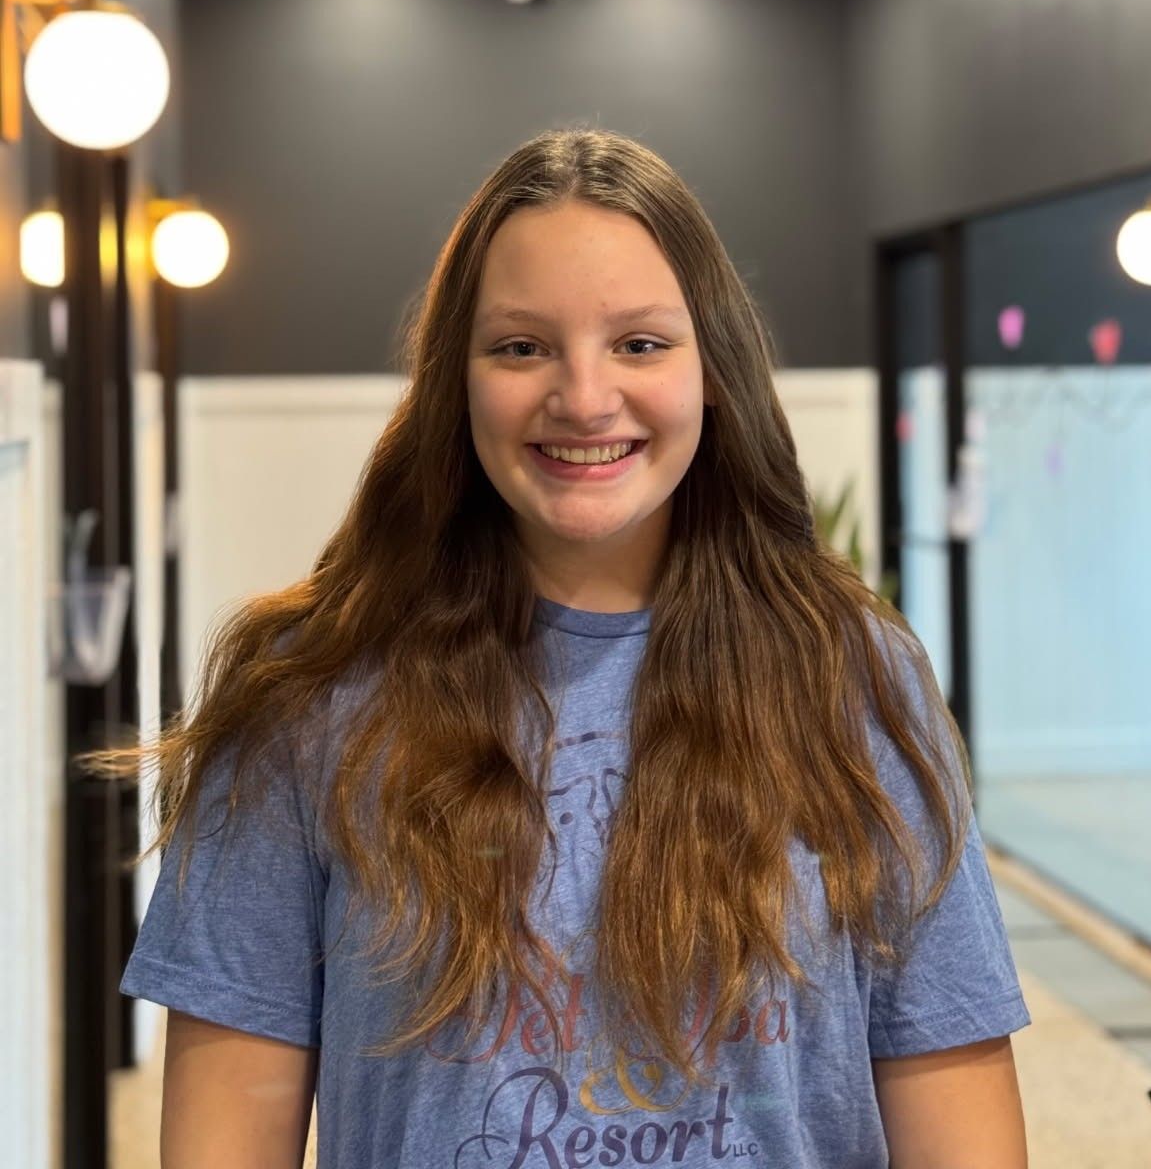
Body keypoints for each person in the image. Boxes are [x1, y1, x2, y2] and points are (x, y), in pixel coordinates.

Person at [83, 126, 1030, 1168]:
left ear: (713, 368)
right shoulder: (303, 693)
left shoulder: (854, 676)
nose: (583, 398)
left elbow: (957, 1109)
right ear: (458, 378)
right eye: (522, 345)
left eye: (640, 342)